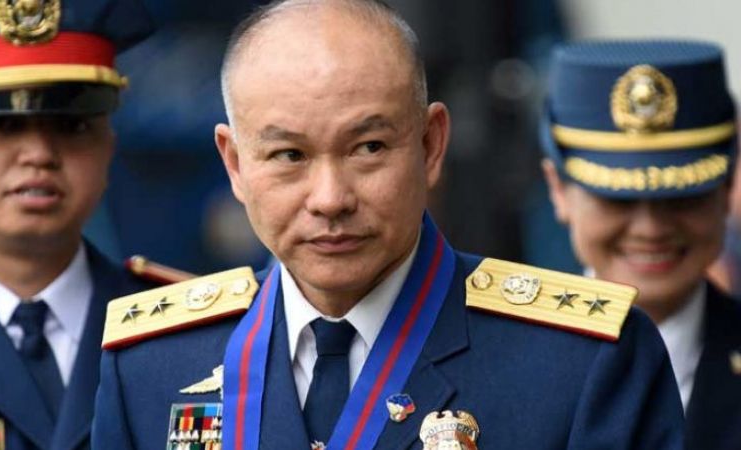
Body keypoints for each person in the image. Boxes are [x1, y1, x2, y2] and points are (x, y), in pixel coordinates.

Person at [92, 1, 684, 448]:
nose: (330, 198)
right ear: (236, 164)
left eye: (369, 148)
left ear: (431, 145)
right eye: (289, 155)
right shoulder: (150, 366)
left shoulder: (579, 365)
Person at [0, 1, 154, 449]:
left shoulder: (186, 332)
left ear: (109, 144)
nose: (39, 153)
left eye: (72, 125)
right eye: (0, 124)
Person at [540, 40, 741, 450]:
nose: (651, 229)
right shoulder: (501, 364)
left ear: (727, 190)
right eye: (618, 198)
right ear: (558, 189)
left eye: (683, 196)